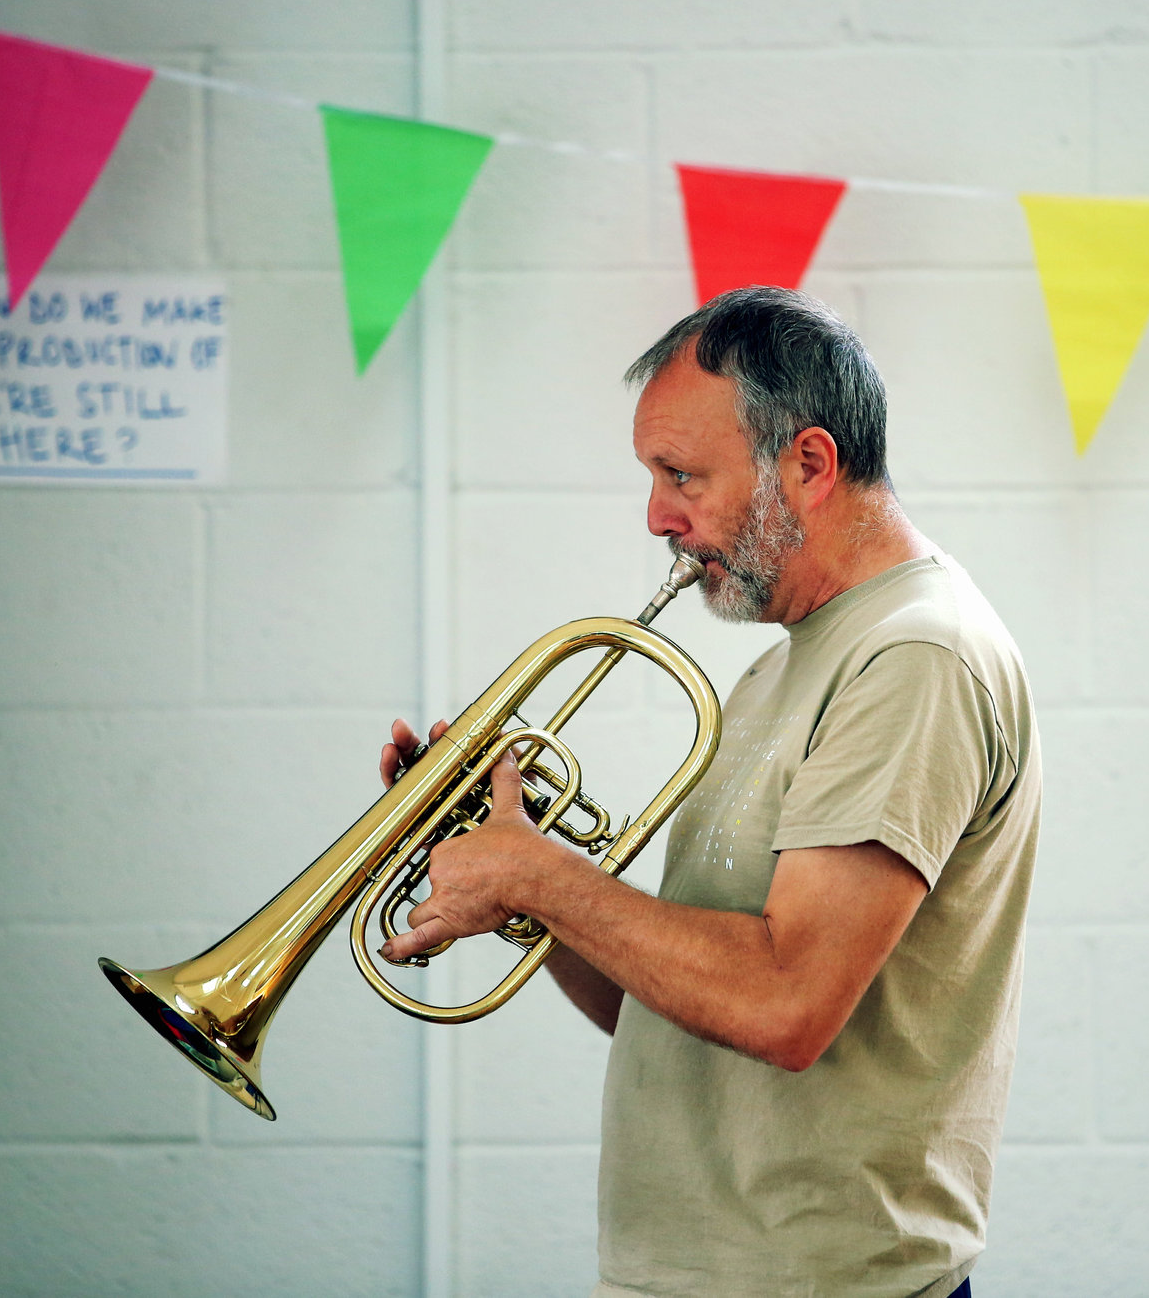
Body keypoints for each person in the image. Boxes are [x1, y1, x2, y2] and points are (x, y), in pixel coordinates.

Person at [379, 287, 1040, 1298]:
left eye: (681, 474)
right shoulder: (786, 664)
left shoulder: (914, 653)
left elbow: (784, 1003)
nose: (656, 516)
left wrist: (544, 875)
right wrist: (510, 854)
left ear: (808, 464)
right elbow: (672, 1004)